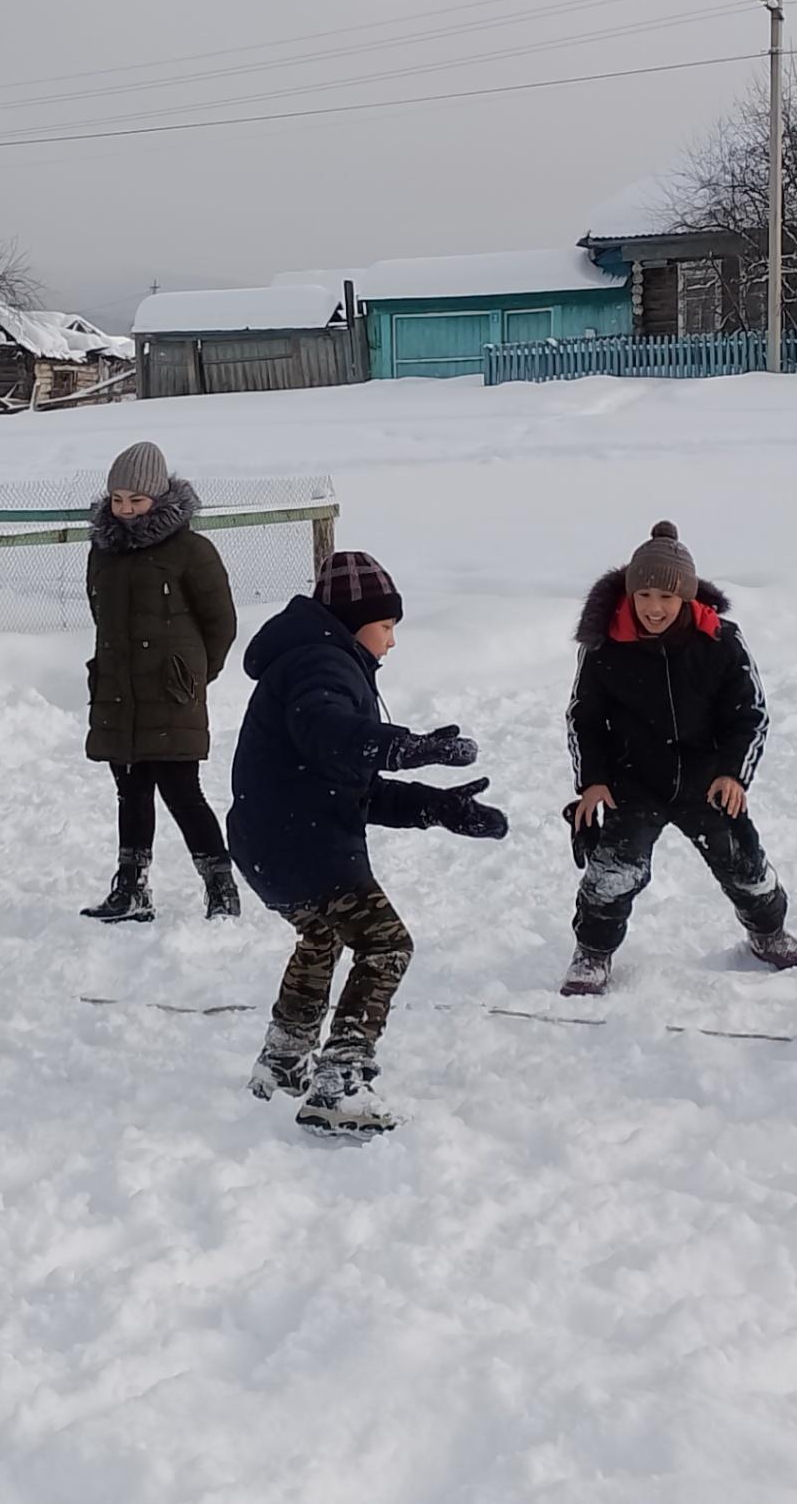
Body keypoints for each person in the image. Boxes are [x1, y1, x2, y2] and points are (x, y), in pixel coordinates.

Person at [226, 549, 506, 1137]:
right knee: (386, 944)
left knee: (322, 935)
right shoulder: (321, 666)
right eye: (387, 626)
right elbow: (332, 735)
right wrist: (409, 746)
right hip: (301, 845)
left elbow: (350, 783)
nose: (392, 642)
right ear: (356, 623)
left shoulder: (314, 660)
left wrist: (438, 806)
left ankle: (281, 1063)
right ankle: (340, 1082)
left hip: (269, 840)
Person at [561, 520, 797, 994]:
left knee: (745, 865)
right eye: (644, 596)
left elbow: (750, 714)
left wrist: (733, 775)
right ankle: (593, 954)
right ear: (630, 595)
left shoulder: (720, 640)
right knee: (612, 874)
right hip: (631, 782)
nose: (654, 608)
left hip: (707, 780)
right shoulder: (605, 647)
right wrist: (592, 780)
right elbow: (584, 718)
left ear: (687, 597)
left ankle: (769, 934)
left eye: (666, 597)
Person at [80, 438, 241, 924]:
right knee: (129, 791)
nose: (126, 511)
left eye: (137, 500)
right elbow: (101, 617)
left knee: (181, 790)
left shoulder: (191, 550)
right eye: (118, 500)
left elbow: (221, 624)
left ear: (159, 497)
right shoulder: (102, 552)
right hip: (118, 692)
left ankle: (221, 888)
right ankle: (130, 889)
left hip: (172, 694)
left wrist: (190, 676)